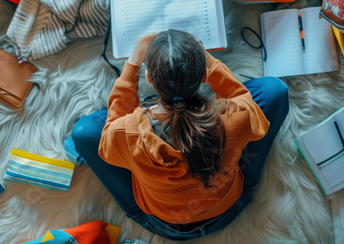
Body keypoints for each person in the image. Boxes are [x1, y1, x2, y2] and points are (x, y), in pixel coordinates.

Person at [68, 30, 289, 240]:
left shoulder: (125, 132)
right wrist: (201, 57)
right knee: (274, 90)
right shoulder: (236, 117)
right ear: (204, 76)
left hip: (163, 224)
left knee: (84, 132)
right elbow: (242, 98)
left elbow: (108, 138)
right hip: (227, 208)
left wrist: (133, 60)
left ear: (148, 78)